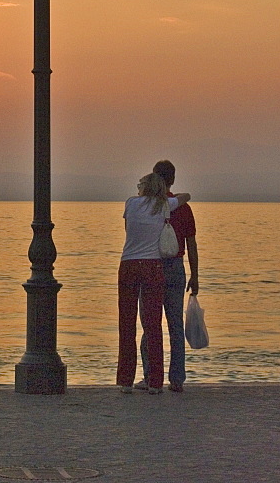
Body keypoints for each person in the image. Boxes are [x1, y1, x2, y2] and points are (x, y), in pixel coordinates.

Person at [117, 173, 191, 394]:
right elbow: (187, 196)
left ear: (143, 187)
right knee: (153, 324)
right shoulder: (164, 204)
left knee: (127, 324)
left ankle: (126, 381)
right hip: (153, 266)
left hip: (128, 264)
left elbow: (128, 229)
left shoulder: (130, 203)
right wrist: (169, 196)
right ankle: (156, 383)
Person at [135, 159, 198, 393]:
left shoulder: (146, 206)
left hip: (152, 266)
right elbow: (191, 244)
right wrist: (195, 275)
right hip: (176, 268)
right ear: (172, 179)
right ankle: (177, 379)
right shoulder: (183, 207)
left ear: (153, 178)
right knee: (175, 325)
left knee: (150, 324)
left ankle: (150, 376)